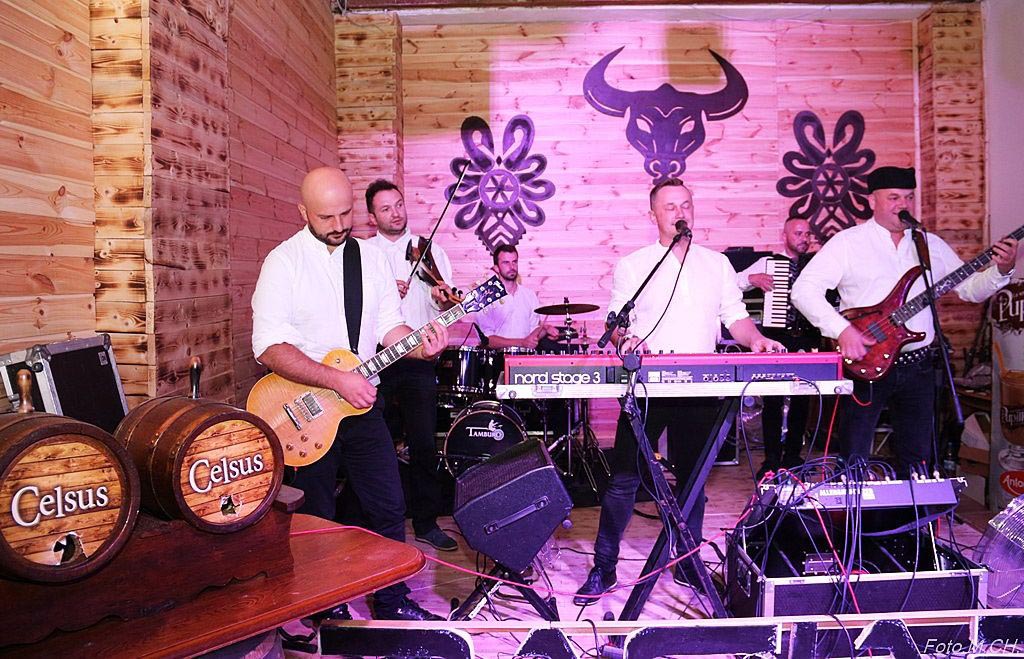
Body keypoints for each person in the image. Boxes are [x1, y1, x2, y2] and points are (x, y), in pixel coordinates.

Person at [574, 178, 785, 605]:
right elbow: (615, 323)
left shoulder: (716, 264)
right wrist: (625, 340)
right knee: (624, 479)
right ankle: (604, 566)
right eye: (670, 207)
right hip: (647, 388)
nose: (680, 212)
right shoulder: (635, 265)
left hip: (700, 387)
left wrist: (756, 339)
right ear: (653, 215)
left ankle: (688, 563)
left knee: (693, 480)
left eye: (685, 204)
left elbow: (735, 317)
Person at [251, 167, 448, 621]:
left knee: (389, 506)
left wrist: (420, 346)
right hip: (304, 410)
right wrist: (335, 379)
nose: (339, 225)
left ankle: (392, 602)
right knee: (317, 516)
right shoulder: (283, 263)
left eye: (345, 214)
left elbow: (389, 327)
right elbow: (268, 346)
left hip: (361, 406)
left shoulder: (370, 259)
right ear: (302, 212)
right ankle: (325, 609)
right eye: (326, 217)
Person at [792, 166, 1018, 476]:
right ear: (872, 201)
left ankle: (916, 507)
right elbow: (803, 291)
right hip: (865, 362)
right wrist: (842, 330)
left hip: (918, 366)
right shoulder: (848, 243)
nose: (903, 204)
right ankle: (854, 506)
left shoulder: (928, 244)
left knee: (918, 456)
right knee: (854, 452)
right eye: (894, 197)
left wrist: (1002, 270)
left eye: (909, 197)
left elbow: (970, 289)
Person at [365, 178, 457, 552]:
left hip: (419, 359)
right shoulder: (363, 253)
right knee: (375, 444)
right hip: (375, 360)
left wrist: (444, 299)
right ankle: (376, 526)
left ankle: (426, 522)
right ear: (372, 217)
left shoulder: (429, 250)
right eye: (385, 208)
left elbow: (449, 306)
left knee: (423, 444)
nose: (396, 213)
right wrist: (385, 293)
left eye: (399, 204)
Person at [737, 216, 822, 479]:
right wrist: (752, 277)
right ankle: (772, 459)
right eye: (798, 233)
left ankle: (793, 457)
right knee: (773, 398)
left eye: (807, 234)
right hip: (777, 338)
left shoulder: (818, 264)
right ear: (784, 236)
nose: (804, 238)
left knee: (802, 399)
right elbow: (735, 282)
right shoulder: (769, 263)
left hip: (807, 338)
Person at [474, 244, 559, 349]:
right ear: (496, 268)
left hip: (524, 358)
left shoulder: (529, 295)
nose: (512, 267)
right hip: (496, 357)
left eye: (514, 262)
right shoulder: (485, 298)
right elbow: (487, 340)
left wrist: (545, 329)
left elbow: (533, 332)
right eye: (506, 263)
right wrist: (521, 342)